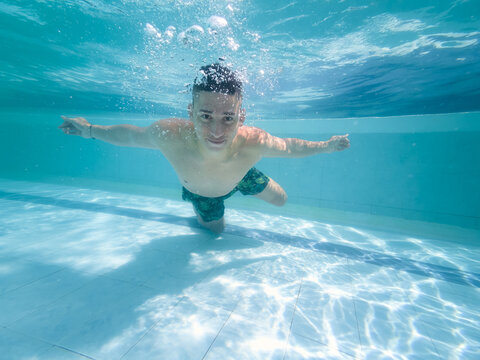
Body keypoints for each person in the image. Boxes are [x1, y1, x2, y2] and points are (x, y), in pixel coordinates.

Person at [59, 63, 350, 233]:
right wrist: (89, 131)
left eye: (228, 118)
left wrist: (326, 146)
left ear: (242, 116)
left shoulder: (254, 140)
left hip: (241, 172)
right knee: (215, 231)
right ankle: (200, 211)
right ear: (190, 111)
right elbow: (132, 136)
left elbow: (288, 147)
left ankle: (244, 181)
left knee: (281, 200)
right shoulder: (169, 134)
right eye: (206, 116)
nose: (216, 131)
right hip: (203, 193)